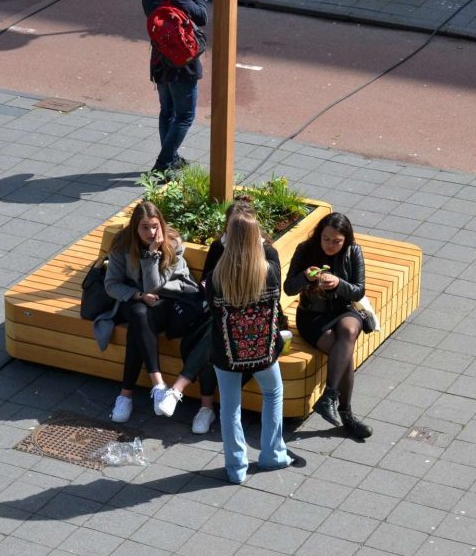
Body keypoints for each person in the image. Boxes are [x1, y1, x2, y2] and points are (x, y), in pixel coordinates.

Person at [154, 197, 268, 434]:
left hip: (251, 323)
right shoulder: (219, 247)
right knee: (214, 333)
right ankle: (202, 407)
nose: (231, 234)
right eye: (230, 228)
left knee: (216, 335)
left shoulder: (266, 252)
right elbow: (206, 281)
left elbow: (269, 294)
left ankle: (180, 391)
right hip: (217, 313)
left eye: (237, 230)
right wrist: (212, 286)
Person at [207, 212, 305, 484]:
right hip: (263, 352)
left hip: (226, 352)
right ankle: (273, 453)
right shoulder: (270, 271)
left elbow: (212, 311)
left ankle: (236, 467)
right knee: (273, 393)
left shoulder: (217, 277)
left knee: (230, 407)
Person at [104, 201, 202, 422]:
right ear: (134, 228)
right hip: (136, 300)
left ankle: (126, 395)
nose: (151, 233)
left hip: (169, 299)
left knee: (138, 323)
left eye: (155, 226)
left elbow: (154, 287)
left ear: (161, 224)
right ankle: (158, 385)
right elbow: (111, 285)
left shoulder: (172, 243)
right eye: (144, 227)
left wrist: (152, 255)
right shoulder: (122, 245)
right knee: (139, 312)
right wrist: (138, 295)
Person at [284, 212, 373, 441]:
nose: (330, 245)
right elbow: (289, 288)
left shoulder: (353, 251)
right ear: (319, 234)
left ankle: (329, 396)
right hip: (312, 316)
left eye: (337, 241)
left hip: (343, 309)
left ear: (346, 240)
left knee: (350, 330)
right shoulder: (306, 249)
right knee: (344, 354)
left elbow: (358, 290)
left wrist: (339, 283)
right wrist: (305, 276)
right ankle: (347, 415)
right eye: (326, 239)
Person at [142, 0, 208, 173]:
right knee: (185, 116)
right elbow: (202, 16)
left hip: (160, 60)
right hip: (182, 63)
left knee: (167, 112)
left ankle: (172, 158)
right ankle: (164, 163)